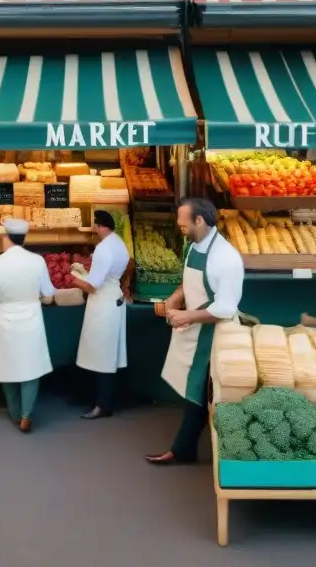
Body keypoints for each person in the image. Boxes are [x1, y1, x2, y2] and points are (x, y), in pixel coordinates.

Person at [147, 198, 245, 465]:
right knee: (196, 392)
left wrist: (188, 315)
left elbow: (225, 308)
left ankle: (224, 455)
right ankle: (184, 449)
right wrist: (176, 298)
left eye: (183, 224)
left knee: (205, 393)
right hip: (194, 327)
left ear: (199, 221)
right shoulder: (193, 244)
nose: (180, 228)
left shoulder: (227, 258)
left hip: (215, 335)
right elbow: (188, 281)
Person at [0, 218, 56, 433]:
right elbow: (49, 292)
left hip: (5, 321)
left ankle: (14, 413)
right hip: (31, 320)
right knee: (30, 369)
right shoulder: (37, 261)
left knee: (8, 367)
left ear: (7, 238)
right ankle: (26, 415)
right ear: (24, 238)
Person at [71, 210, 130, 419]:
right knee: (107, 354)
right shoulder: (119, 242)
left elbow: (92, 286)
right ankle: (104, 401)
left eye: (94, 225)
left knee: (102, 355)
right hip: (113, 297)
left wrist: (71, 279)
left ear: (99, 226)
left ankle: (102, 405)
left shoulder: (104, 248)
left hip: (103, 303)